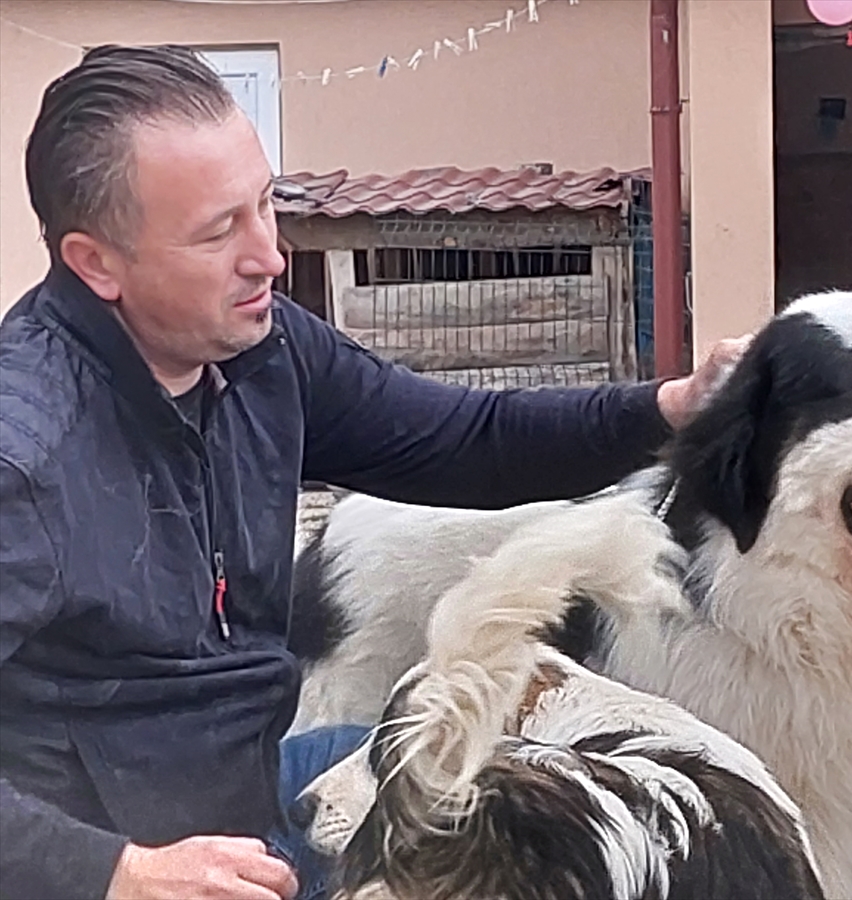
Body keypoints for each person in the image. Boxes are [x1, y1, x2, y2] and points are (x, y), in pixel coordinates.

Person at [0, 45, 750, 900]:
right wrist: (115, 873)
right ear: (96, 263)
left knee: (550, 808)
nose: (270, 257)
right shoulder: (24, 457)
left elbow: (465, 441)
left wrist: (668, 408)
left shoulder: (263, 353)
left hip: (252, 787)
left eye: (265, 205)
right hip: (136, 861)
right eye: (219, 232)